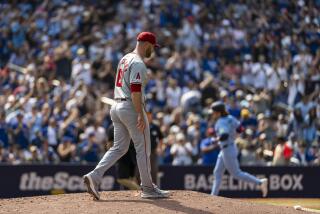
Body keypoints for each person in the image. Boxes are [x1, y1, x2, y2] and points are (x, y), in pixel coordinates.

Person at [83, 32, 170, 200]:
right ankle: (148, 188)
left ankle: (94, 176)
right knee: (143, 149)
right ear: (146, 44)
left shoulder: (124, 58)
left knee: (119, 147)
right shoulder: (138, 63)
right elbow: (136, 91)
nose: (153, 50)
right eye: (152, 47)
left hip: (116, 106)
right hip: (131, 106)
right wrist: (139, 113)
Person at [209, 101, 268, 197]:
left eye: (214, 112)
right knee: (217, 172)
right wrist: (234, 136)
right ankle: (213, 196)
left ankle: (260, 182)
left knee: (236, 173)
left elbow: (224, 135)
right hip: (228, 147)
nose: (212, 114)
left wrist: (216, 140)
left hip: (227, 149)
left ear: (218, 112)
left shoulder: (221, 122)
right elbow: (240, 128)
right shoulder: (230, 118)